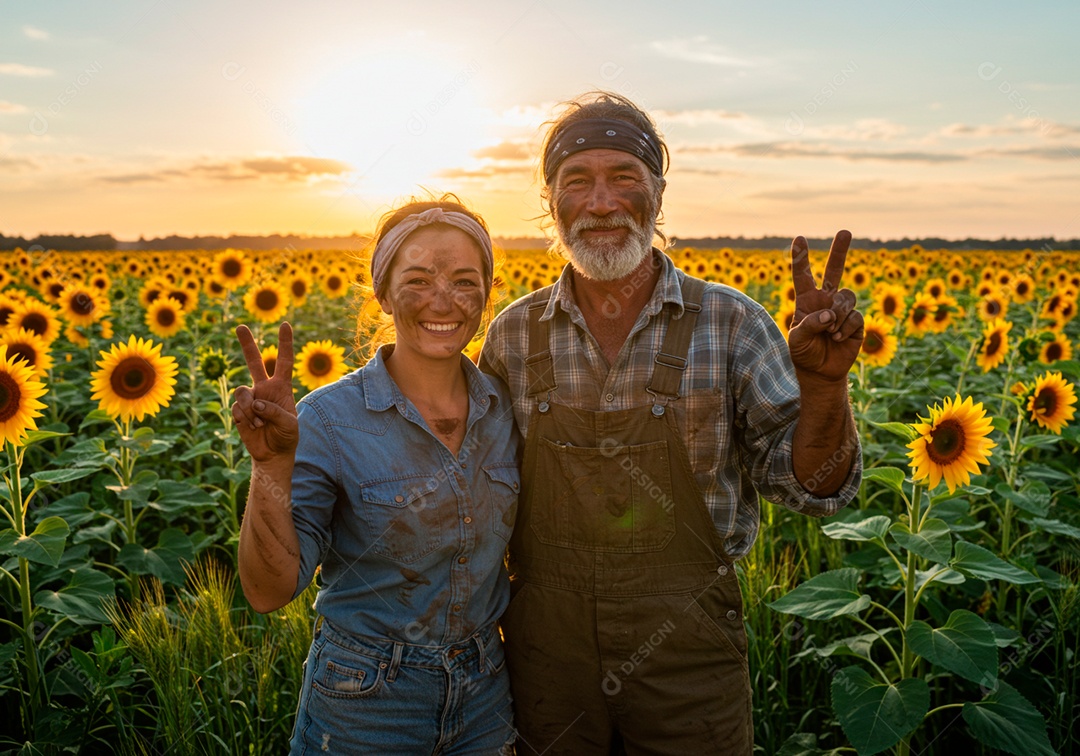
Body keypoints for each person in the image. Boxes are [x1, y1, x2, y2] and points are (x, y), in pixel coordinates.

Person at [479, 92, 864, 754]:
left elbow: (817, 490)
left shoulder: (732, 323)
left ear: (658, 191)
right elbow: (479, 492)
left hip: (688, 657)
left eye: (624, 177)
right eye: (578, 181)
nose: (602, 202)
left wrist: (825, 387)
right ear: (551, 202)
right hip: (547, 661)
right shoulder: (513, 335)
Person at [232, 197, 519, 755]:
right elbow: (268, 591)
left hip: (486, 693)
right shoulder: (329, 419)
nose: (444, 301)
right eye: (417, 280)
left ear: (488, 293)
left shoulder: (506, 409)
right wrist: (269, 467)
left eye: (465, 281)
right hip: (366, 701)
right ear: (382, 294)